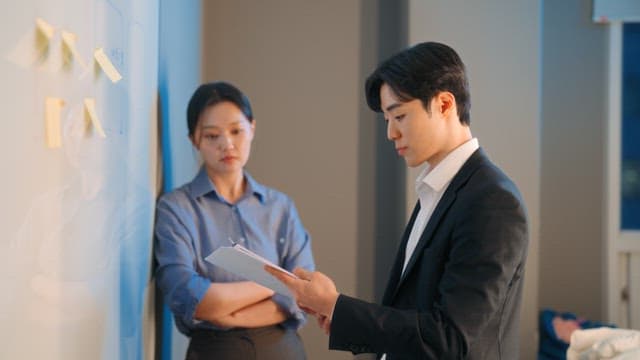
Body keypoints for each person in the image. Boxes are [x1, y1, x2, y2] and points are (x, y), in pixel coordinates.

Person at [266, 41, 529, 359]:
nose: (391, 132)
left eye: (399, 116)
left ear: (445, 104)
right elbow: (417, 315)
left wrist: (335, 305)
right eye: (387, 120)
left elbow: (450, 339)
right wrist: (339, 313)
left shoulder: (492, 201)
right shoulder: (439, 189)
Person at [155, 81, 314, 359]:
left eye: (236, 131)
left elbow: (304, 295)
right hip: (215, 350)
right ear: (194, 139)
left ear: (252, 128)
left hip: (282, 349)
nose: (227, 144)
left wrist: (229, 315)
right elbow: (191, 297)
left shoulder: (280, 207)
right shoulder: (177, 209)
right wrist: (276, 282)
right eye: (212, 136)